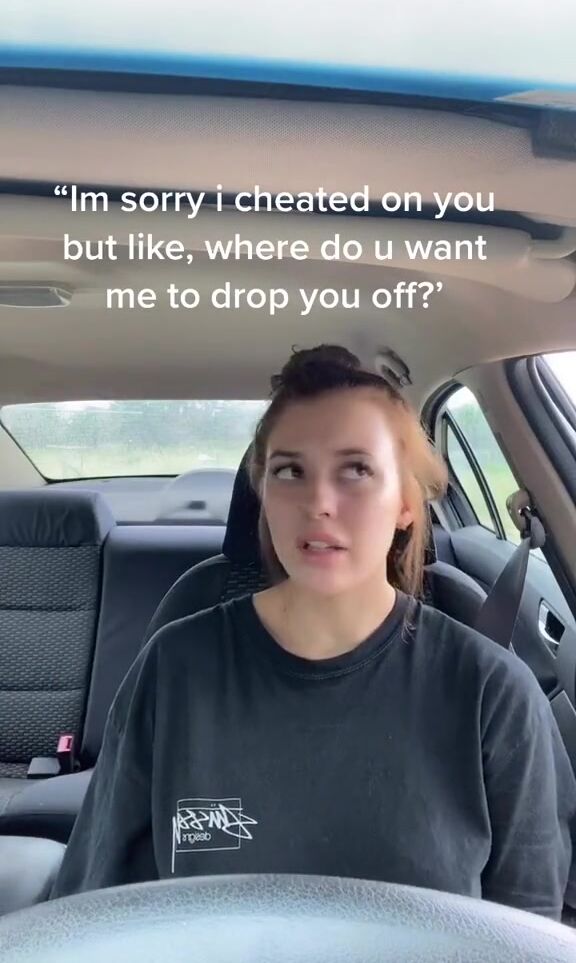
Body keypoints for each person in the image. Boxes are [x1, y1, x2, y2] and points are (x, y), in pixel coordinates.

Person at [50, 344, 576, 920]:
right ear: (263, 495)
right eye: (289, 471)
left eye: (356, 470)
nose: (319, 503)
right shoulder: (173, 668)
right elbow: (93, 902)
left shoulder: (493, 695)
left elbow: (525, 930)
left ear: (405, 502)